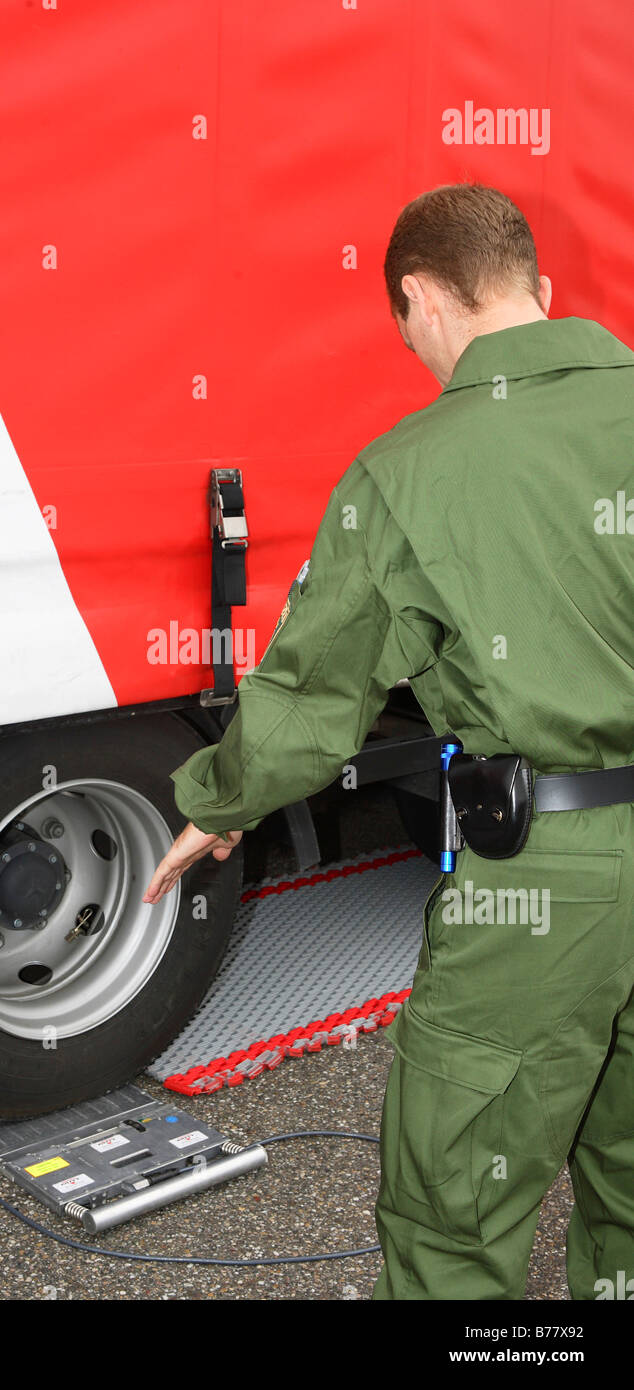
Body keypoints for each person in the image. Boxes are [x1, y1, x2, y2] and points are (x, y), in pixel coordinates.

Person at [143, 183, 634, 1301]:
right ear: (538, 292)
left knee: (451, 1213)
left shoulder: (409, 470)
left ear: (420, 297)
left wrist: (218, 800)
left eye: (403, 324)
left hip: (545, 888)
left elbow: (315, 695)